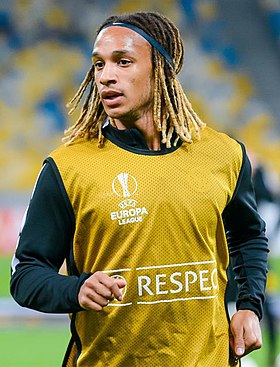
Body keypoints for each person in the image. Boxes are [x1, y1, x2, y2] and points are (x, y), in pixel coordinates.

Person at [10, 11, 269, 367]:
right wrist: (76, 289)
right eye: (99, 64)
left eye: (123, 62)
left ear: (160, 70)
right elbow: (26, 273)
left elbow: (248, 237)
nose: (106, 77)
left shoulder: (224, 155)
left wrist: (249, 308)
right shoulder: (67, 168)